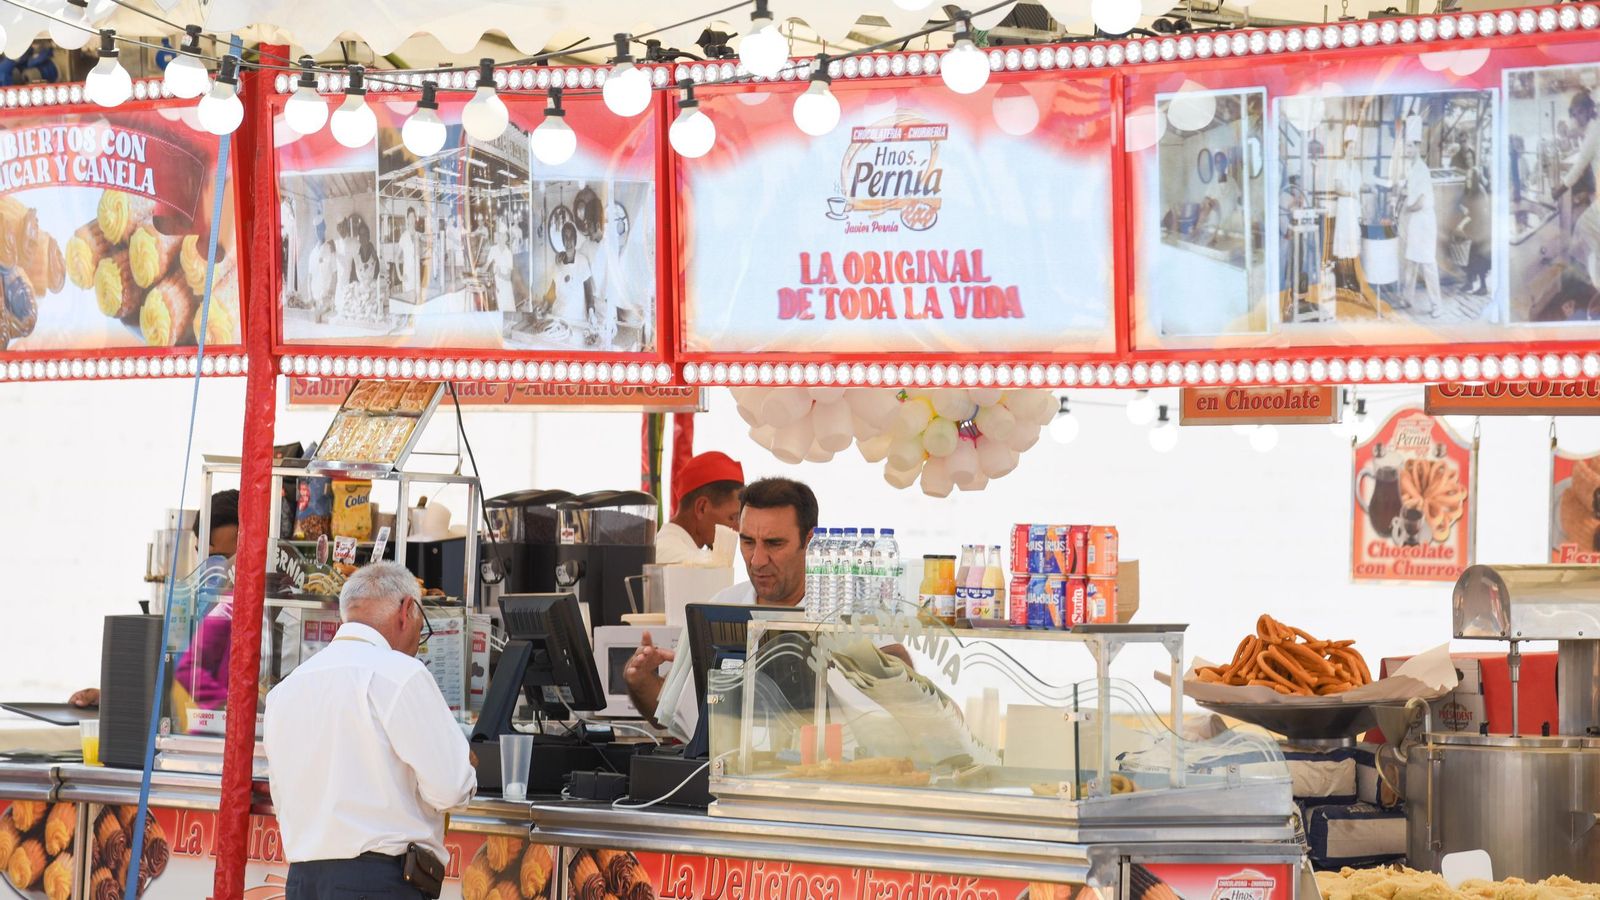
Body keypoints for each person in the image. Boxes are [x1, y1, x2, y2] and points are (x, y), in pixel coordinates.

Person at [265, 562, 474, 900]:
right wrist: (467, 766)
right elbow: (450, 789)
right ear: (407, 610)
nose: (419, 641)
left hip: (303, 882)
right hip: (378, 883)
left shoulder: (286, 690)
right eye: (422, 627)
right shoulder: (401, 674)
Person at [623, 477, 818, 733]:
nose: (757, 560)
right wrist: (641, 683)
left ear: (810, 541)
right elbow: (676, 721)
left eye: (774, 543)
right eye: (747, 542)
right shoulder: (720, 607)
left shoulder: (842, 618)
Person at [69, 490, 240, 710]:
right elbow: (176, 684)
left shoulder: (264, 613)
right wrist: (111, 697)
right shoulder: (197, 608)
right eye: (204, 556)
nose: (212, 572)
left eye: (224, 559)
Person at [655, 452, 745, 565]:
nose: (738, 529)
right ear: (702, 508)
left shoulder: (673, 548)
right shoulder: (681, 560)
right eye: (732, 517)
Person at [1393, 119, 1443, 318]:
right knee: (1411, 261)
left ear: (1418, 147)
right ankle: (1407, 298)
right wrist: (1401, 193)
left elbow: (1421, 202)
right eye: (1406, 146)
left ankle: (1437, 305)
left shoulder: (1421, 169)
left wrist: (1406, 208)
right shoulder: (1411, 168)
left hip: (1424, 222)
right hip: (1415, 222)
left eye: (1411, 146)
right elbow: (1410, 190)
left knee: (1428, 264)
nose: (1408, 150)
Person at [1556, 89, 1600, 290]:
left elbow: (1581, 163)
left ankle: (1595, 283)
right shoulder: (1594, 127)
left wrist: (1561, 187)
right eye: (1573, 114)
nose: (1576, 118)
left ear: (1586, 111)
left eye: (1577, 114)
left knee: (1583, 227)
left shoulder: (1593, 131)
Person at [1454, 147, 1491, 296]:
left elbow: (1478, 213)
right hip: (1476, 228)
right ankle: (1470, 283)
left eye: (1470, 179)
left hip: (1483, 229)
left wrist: (1462, 224)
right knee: (1472, 257)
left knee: (1479, 259)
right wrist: (1463, 209)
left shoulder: (1479, 191)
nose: (1467, 181)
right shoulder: (1470, 190)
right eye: (1466, 179)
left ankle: (1482, 287)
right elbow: (1462, 203)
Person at [1332, 125, 1364, 292]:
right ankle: (1342, 279)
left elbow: (1360, 187)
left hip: (1354, 209)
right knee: (1343, 242)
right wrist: (1350, 193)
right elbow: (1337, 187)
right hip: (1344, 208)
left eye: (1354, 148)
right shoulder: (1340, 165)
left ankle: (1352, 279)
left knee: (1353, 242)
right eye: (1350, 147)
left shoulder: (1356, 167)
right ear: (1345, 148)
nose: (1352, 151)